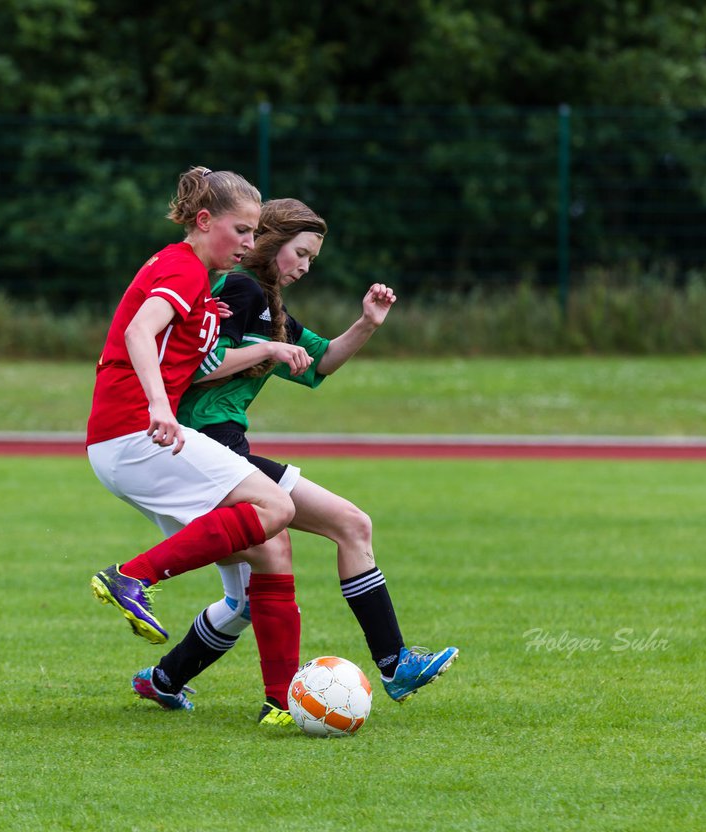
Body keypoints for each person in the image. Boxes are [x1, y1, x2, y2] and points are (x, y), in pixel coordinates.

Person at [129, 198, 458, 724]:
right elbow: (200, 365)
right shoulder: (238, 290)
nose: (305, 267)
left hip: (231, 450)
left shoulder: (268, 304)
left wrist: (368, 323)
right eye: (300, 253)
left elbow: (320, 361)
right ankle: (374, 669)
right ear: (269, 242)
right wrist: (269, 351)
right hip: (207, 451)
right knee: (316, 547)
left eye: (312, 259)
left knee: (327, 542)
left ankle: (165, 680)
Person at [85, 167, 315, 645]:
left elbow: (178, 340)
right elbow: (138, 332)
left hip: (123, 441)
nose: (250, 244)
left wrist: (208, 314)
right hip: (136, 434)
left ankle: (279, 705)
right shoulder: (183, 268)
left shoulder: (196, 276)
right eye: (242, 230)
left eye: (254, 232)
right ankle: (130, 577)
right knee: (275, 506)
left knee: (268, 553)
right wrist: (159, 407)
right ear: (205, 220)